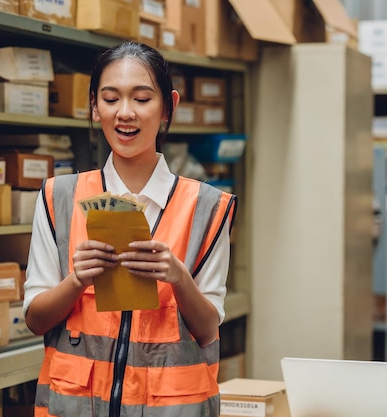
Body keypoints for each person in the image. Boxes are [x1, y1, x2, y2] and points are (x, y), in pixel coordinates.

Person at [23, 41, 236, 417]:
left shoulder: (208, 207)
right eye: (110, 99)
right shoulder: (59, 197)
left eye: (141, 99)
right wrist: (76, 280)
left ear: (168, 106)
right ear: (94, 105)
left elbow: (208, 329)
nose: (125, 113)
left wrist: (179, 278)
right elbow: (36, 319)